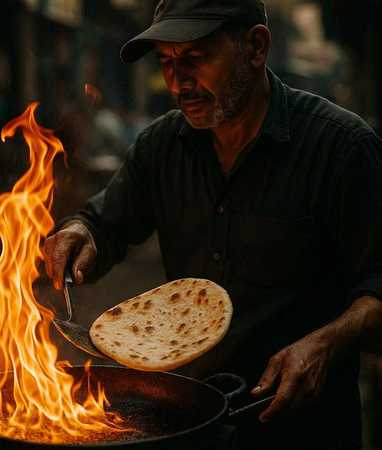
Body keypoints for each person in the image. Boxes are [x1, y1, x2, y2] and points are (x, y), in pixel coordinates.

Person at [44, 0, 382, 448]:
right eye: (166, 61)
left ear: (256, 47)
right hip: (188, 422)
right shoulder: (161, 146)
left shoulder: (340, 148)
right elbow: (104, 223)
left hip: (301, 426)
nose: (179, 82)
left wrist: (325, 344)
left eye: (196, 58)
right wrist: (80, 232)